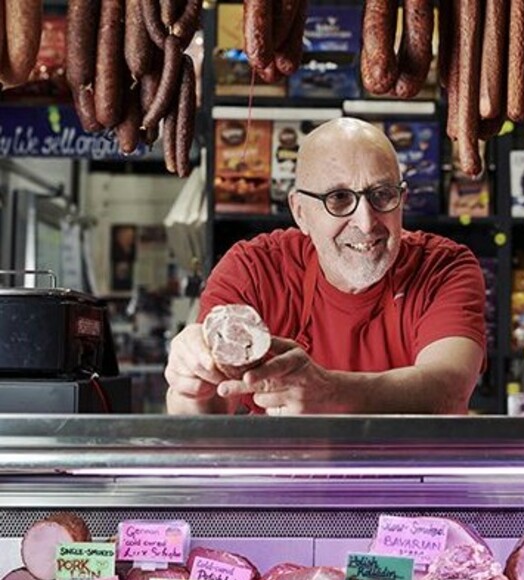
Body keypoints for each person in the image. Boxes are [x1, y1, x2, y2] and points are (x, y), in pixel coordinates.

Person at [165, 117, 486, 415]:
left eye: (382, 194)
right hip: (281, 473)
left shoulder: (444, 267)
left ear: (402, 198)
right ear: (300, 212)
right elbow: (203, 413)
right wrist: (193, 385)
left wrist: (329, 392)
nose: (366, 221)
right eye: (339, 198)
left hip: (407, 474)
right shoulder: (254, 269)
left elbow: (448, 389)